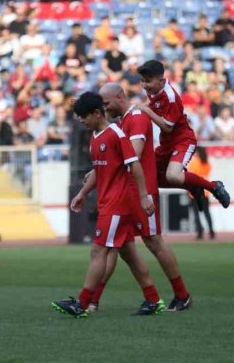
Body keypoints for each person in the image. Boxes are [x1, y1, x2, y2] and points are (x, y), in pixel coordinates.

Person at [82, 83, 193, 312]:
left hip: (142, 192)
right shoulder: (122, 122)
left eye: (106, 103)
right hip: (125, 194)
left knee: (153, 241)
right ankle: (95, 301)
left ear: (119, 97)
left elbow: (132, 155)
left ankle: (182, 294)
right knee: (118, 247)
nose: (104, 108)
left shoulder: (138, 118)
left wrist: (142, 194)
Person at [54, 92, 163, 318]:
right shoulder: (95, 136)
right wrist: (83, 193)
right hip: (108, 203)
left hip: (117, 204)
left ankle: (82, 304)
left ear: (96, 113)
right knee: (130, 254)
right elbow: (100, 170)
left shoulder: (116, 134)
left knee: (98, 251)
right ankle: (153, 300)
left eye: (84, 116)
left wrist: (143, 196)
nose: (81, 120)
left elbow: (135, 165)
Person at [136, 60, 231, 209]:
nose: (144, 85)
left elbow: (167, 127)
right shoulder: (154, 91)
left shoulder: (170, 96)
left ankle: (213, 186)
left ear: (161, 81)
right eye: (142, 81)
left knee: (173, 176)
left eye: (148, 81)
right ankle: (193, 186)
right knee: (148, 177)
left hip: (183, 141)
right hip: (166, 143)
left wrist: (146, 111)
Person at [187, 147, 215, 240]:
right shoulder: (207, 163)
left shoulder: (194, 162)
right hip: (205, 192)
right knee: (207, 213)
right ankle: (211, 231)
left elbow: (190, 176)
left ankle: (200, 232)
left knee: (196, 213)